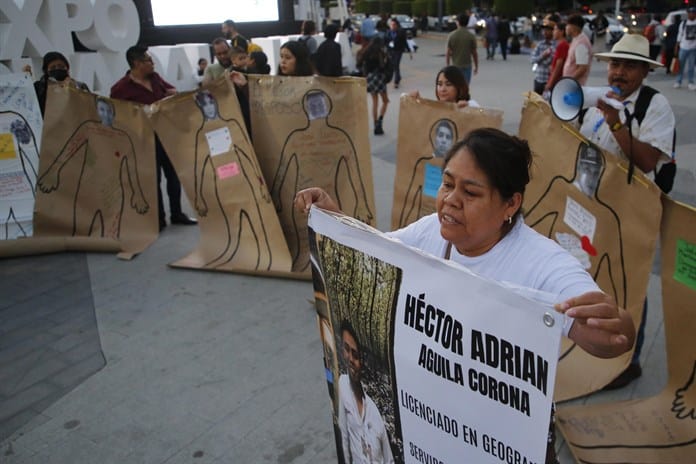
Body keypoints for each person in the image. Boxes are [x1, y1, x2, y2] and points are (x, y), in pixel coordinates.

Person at [296, 128, 635, 463]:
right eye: (447, 184)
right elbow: (374, 254)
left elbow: (607, 334)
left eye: (470, 192)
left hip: (505, 440)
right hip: (440, 427)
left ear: (510, 204)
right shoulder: (431, 231)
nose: (450, 200)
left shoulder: (542, 262)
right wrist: (333, 217)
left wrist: (613, 328)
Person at [576, 33, 675, 388]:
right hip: (596, 206)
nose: (619, 72)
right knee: (598, 277)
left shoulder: (655, 105)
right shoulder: (599, 98)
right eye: (615, 64)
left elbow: (648, 159)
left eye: (629, 66)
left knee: (629, 283)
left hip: (634, 212)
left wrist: (616, 122)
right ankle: (598, 347)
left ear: (644, 72)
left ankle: (629, 360)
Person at [110, 45, 197, 231]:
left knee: (174, 176)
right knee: (153, 179)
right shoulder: (120, 88)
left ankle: (177, 213)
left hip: (166, 134)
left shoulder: (156, 79)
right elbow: (117, 115)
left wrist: (172, 93)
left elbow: (171, 90)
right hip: (144, 139)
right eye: (149, 60)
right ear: (137, 63)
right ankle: (158, 219)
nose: (152, 63)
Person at [337, 320, 394, 464]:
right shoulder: (343, 385)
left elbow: (389, 459)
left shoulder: (374, 412)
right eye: (346, 349)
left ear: (361, 363)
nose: (350, 359)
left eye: (355, 355)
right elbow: (343, 438)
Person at [32, 51, 89, 116]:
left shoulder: (79, 86)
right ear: (46, 70)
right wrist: (25, 77)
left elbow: (90, 107)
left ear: (67, 68)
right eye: (53, 67)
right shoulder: (38, 87)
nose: (58, 69)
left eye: (61, 66)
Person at [356, 37, 389, 135]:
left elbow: (359, 64)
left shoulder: (366, 52)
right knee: (385, 101)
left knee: (375, 102)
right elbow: (383, 66)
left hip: (370, 78)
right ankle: (380, 120)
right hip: (379, 78)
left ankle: (375, 124)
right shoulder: (381, 52)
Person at [408, 65, 480, 109]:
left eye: (448, 84)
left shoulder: (471, 105)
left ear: (459, 87)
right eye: (439, 84)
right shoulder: (437, 109)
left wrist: (468, 110)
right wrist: (417, 103)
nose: (443, 89)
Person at [445, 13, 478, 84]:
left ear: (458, 22)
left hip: (456, 66)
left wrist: (447, 66)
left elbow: (448, 53)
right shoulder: (471, 36)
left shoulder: (451, 35)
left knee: (456, 86)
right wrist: (476, 66)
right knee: (465, 87)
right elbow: (474, 53)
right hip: (467, 65)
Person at [563, 14, 592, 85]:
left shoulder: (581, 44)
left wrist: (570, 81)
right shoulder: (576, 39)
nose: (566, 28)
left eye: (567, 25)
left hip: (575, 85)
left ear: (573, 27)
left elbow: (582, 68)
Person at [531, 18, 557, 96]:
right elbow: (533, 60)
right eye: (544, 30)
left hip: (550, 79)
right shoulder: (540, 44)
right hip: (539, 78)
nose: (545, 32)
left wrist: (541, 59)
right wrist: (543, 56)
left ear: (553, 31)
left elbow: (550, 61)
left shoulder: (555, 45)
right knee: (536, 104)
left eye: (548, 30)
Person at [544, 21, 569, 97]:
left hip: (558, 81)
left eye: (555, 30)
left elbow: (558, 66)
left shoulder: (562, 45)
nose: (553, 32)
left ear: (561, 32)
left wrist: (550, 82)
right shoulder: (561, 44)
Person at [673, 7, 696, 90]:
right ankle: (678, 81)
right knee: (680, 65)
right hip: (683, 47)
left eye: (693, 13)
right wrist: (677, 46)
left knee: (691, 66)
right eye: (690, 13)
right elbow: (679, 35)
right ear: (688, 14)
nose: (692, 14)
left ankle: (691, 82)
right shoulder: (683, 23)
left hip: (693, 48)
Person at [386, 18, 412, 89]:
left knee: (396, 64)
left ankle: (396, 81)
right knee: (393, 65)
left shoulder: (401, 32)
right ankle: (399, 77)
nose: (392, 26)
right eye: (391, 25)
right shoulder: (389, 32)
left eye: (394, 25)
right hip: (391, 51)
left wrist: (409, 51)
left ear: (397, 25)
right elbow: (386, 41)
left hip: (398, 50)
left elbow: (405, 42)